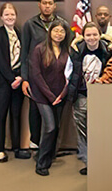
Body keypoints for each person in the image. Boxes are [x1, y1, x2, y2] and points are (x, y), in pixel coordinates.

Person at [20, 0, 70, 150]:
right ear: (39, 5)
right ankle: (35, 144)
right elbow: (25, 53)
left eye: (50, 3)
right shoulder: (30, 24)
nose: (47, 6)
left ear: (55, 6)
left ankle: (51, 148)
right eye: (44, 3)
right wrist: (25, 78)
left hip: (55, 78)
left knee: (54, 116)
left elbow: (68, 50)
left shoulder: (62, 25)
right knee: (35, 111)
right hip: (36, 78)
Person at [66, 22, 112, 175]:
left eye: (95, 34)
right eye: (88, 35)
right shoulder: (76, 50)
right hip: (81, 94)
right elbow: (69, 72)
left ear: (100, 35)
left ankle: (104, 161)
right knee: (83, 129)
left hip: (103, 96)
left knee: (102, 130)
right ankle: (88, 162)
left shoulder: (108, 50)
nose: (92, 38)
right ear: (83, 36)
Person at [29, 19, 72, 176]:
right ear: (50, 32)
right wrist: (50, 95)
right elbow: (36, 75)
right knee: (50, 127)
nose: (59, 34)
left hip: (60, 95)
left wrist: (61, 94)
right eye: (56, 31)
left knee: (57, 127)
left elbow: (70, 74)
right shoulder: (39, 49)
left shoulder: (68, 51)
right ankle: (41, 163)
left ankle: (50, 154)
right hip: (42, 96)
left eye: (62, 31)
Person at [0, 3, 31, 162]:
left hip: (18, 80)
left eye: (12, 14)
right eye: (6, 15)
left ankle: (17, 148)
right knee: (1, 115)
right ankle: (0, 150)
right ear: (1, 17)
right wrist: (11, 79)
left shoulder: (19, 34)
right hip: (2, 82)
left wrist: (20, 77)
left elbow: (24, 57)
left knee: (16, 115)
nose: (10, 17)